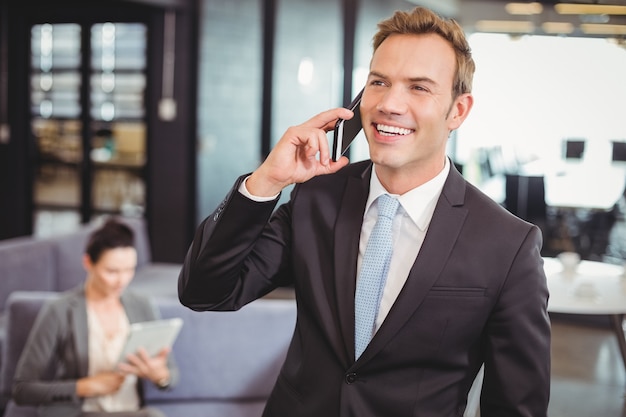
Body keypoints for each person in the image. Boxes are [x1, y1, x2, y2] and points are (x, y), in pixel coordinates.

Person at [178, 6, 550, 417]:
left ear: (458, 111)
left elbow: (515, 406)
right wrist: (266, 180)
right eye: (379, 82)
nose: (390, 103)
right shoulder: (315, 198)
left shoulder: (507, 244)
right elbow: (204, 292)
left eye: (419, 88)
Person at [13, 218, 178, 417]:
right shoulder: (60, 310)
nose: (122, 280)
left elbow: (171, 376)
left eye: (129, 270)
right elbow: (22, 390)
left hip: (131, 412)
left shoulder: (141, 305)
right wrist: (85, 387)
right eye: (112, 271)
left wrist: (160, 376)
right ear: (88, 263)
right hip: (80, 413)